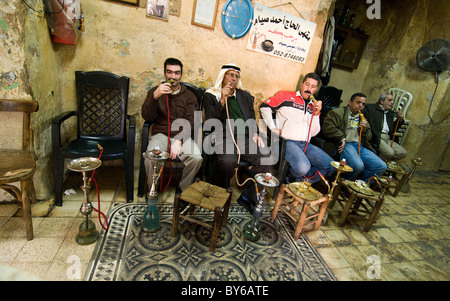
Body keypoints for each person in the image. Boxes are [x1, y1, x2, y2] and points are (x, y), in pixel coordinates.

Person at [203, 63, 271, 214]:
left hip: (245, 138)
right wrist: (222, 100)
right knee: (227, 161)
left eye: (236, 76)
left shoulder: (244, 96)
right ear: (223, 76)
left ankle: (248, 197)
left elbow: (252, 117)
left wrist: (255, 133)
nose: (233, 79)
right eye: (230, 75)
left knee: (266, 157)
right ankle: (220, 193)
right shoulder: (211, 95)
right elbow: (210, 120)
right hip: (223, 138)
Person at [260, 73, 335, 184]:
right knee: (303, 167)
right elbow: (264, 107)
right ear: (302, 84)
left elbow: (313, 133)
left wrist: (316, 114)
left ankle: (297, 182)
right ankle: (292, 178)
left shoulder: (314, 106)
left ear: (316, 89)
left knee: (330, 166)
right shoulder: (285, 96)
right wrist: (272, 127)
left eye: (313, 87)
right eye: (307, 84)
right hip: (287, 142)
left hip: (306, 144)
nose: (308, 89)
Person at [141, 58, 202, 194]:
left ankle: (183, 190)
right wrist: (155, 97)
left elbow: (191, 121)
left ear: (181, 75)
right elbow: (147, 117)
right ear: (165, 73)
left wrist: (180, 140)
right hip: (160, 134)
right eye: (169, 72)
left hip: (182, 136)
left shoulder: (190, 96)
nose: (173, 77)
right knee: (151, 157)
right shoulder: (154, 91)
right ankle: (153, 189)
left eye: (176, 73)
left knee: (196, 158)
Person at [322, 93, 387, 181]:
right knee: (358, 166)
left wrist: (363, 131)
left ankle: (359, 184)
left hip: (360, 146)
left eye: (363, 104)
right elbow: (327, 127)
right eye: (358, 102)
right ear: (350, 102)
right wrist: (341, 137)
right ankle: (343, 182)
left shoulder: (362, 118)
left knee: (381, 166)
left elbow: (369, 137)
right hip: (347, 145)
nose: (360, 106)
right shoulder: (337, 112)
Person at [362, 93, 408, 161]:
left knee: (402, 153)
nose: (392, 102)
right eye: (389, 100)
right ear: (382, 101)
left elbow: (393, 130)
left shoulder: (391, 113)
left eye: (392, 101)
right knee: (390, 153)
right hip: (377, 137)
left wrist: (400, 119)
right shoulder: (370, 108)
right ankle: (379, 160)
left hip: (387, 138)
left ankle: (381, 159)